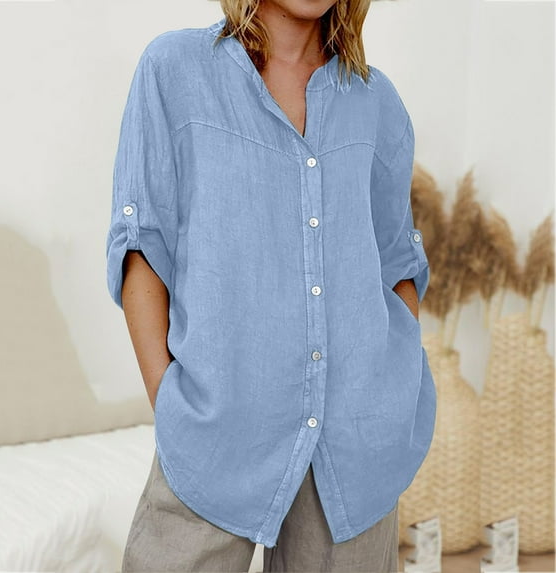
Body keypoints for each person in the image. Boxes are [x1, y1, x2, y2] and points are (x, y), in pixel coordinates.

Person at [106, 0, 437, 571]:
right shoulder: (175, 70)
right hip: (217, 433)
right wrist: (175, 408)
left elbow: (396, 264)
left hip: (354, 446)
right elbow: (142, 247)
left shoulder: (375, 100)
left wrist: (387, 393)